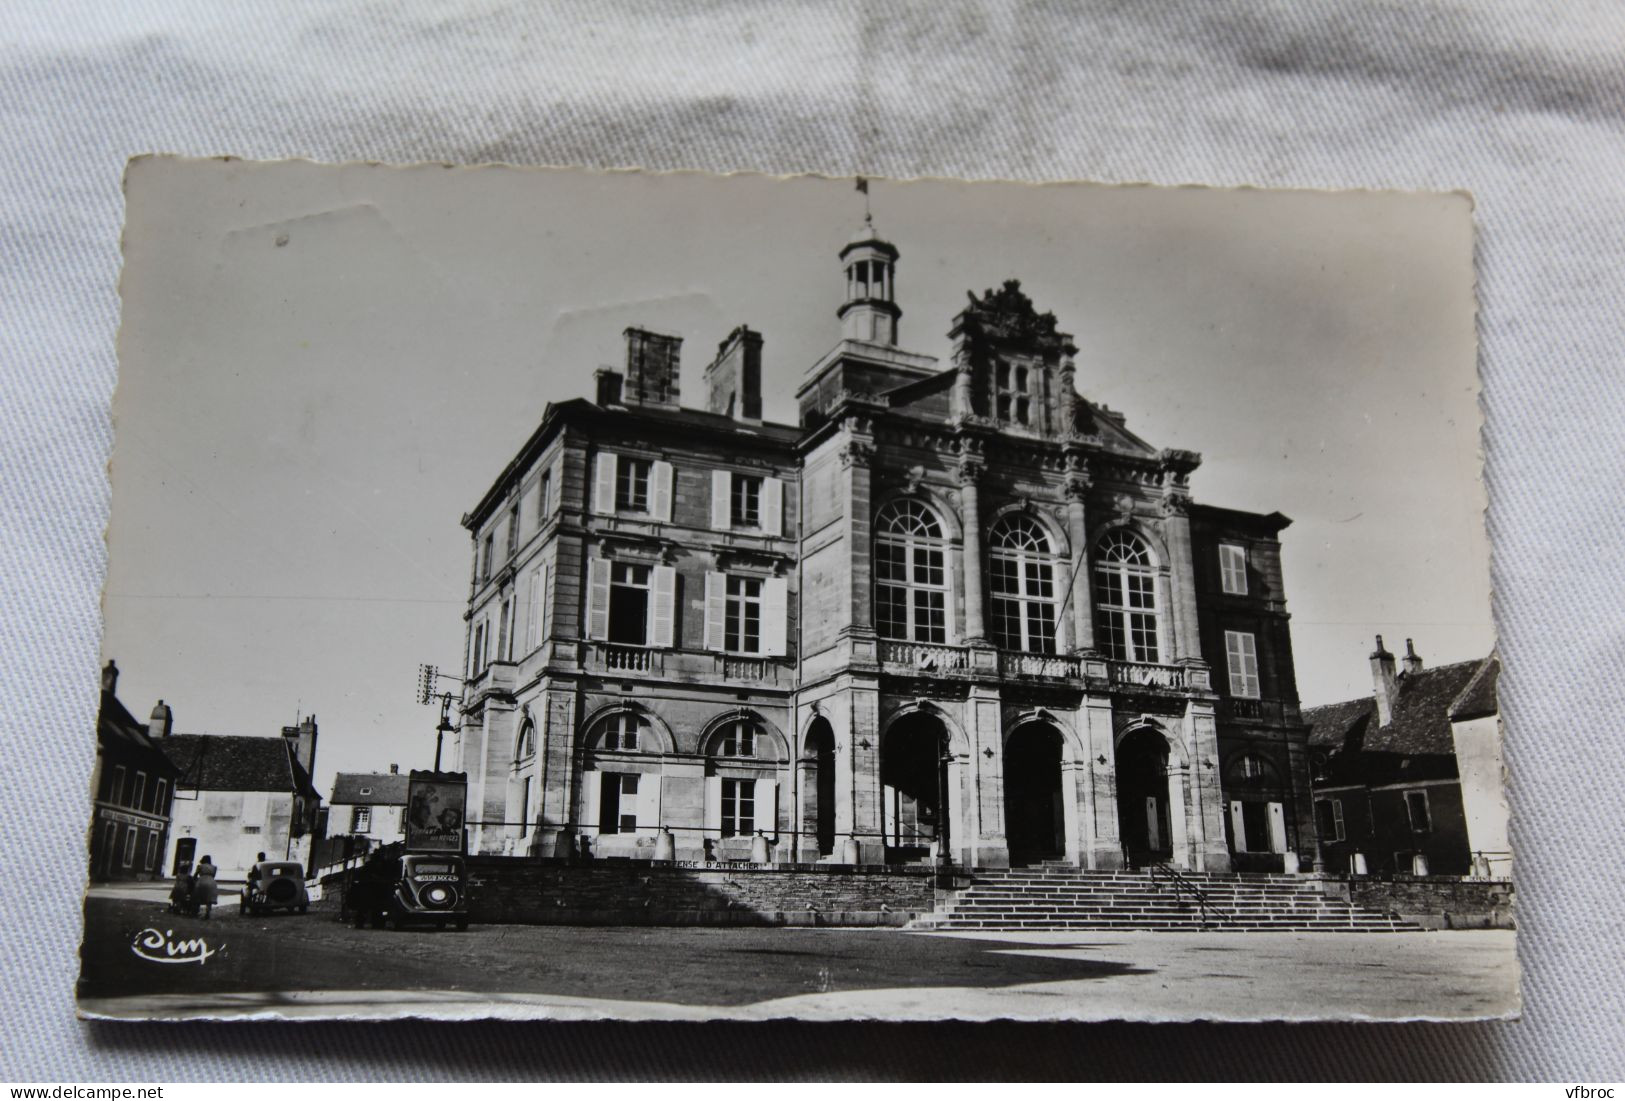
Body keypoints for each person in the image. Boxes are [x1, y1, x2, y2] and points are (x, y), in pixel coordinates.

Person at [193, 854, 219, 920]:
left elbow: (195, 875)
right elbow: (213, 875)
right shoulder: (214, 867)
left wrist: (194, 880)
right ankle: (207, 912)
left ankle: (196, 911)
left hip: (202, 881)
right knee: (209, 899)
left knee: (198, 896)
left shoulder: (200, 866)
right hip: (211, 882)